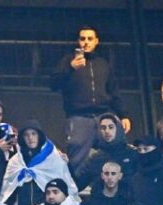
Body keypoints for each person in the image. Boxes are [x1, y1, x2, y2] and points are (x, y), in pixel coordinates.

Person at [51, 26, 130, 173]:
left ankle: (116, 183)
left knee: (115, 151)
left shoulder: (103, 63)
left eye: (90, 39)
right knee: (77, 157)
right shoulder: (68, 61)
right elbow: (53, 84)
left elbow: (113, 91)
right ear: (78, 41)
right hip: (79, 117)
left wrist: (123, 114)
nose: (86, 42)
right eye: (83, 39)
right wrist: (70, 67)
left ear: (96, 41)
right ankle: (77, 186)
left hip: (104, 115)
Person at [0, 120, 77, 205]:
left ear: (39, 136)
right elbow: (7, 189)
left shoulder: (53, 158)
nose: (30, 138)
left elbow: (66, 183)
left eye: (33, 134)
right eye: (26, 135)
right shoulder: (16, 161)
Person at [76, 113, 138, 189]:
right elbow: (77, 185)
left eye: (111, 127)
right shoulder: (95, 158)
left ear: (118, 129)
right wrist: (66, 166)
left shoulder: (132, 153)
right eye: (103, 128)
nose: (107, 131)